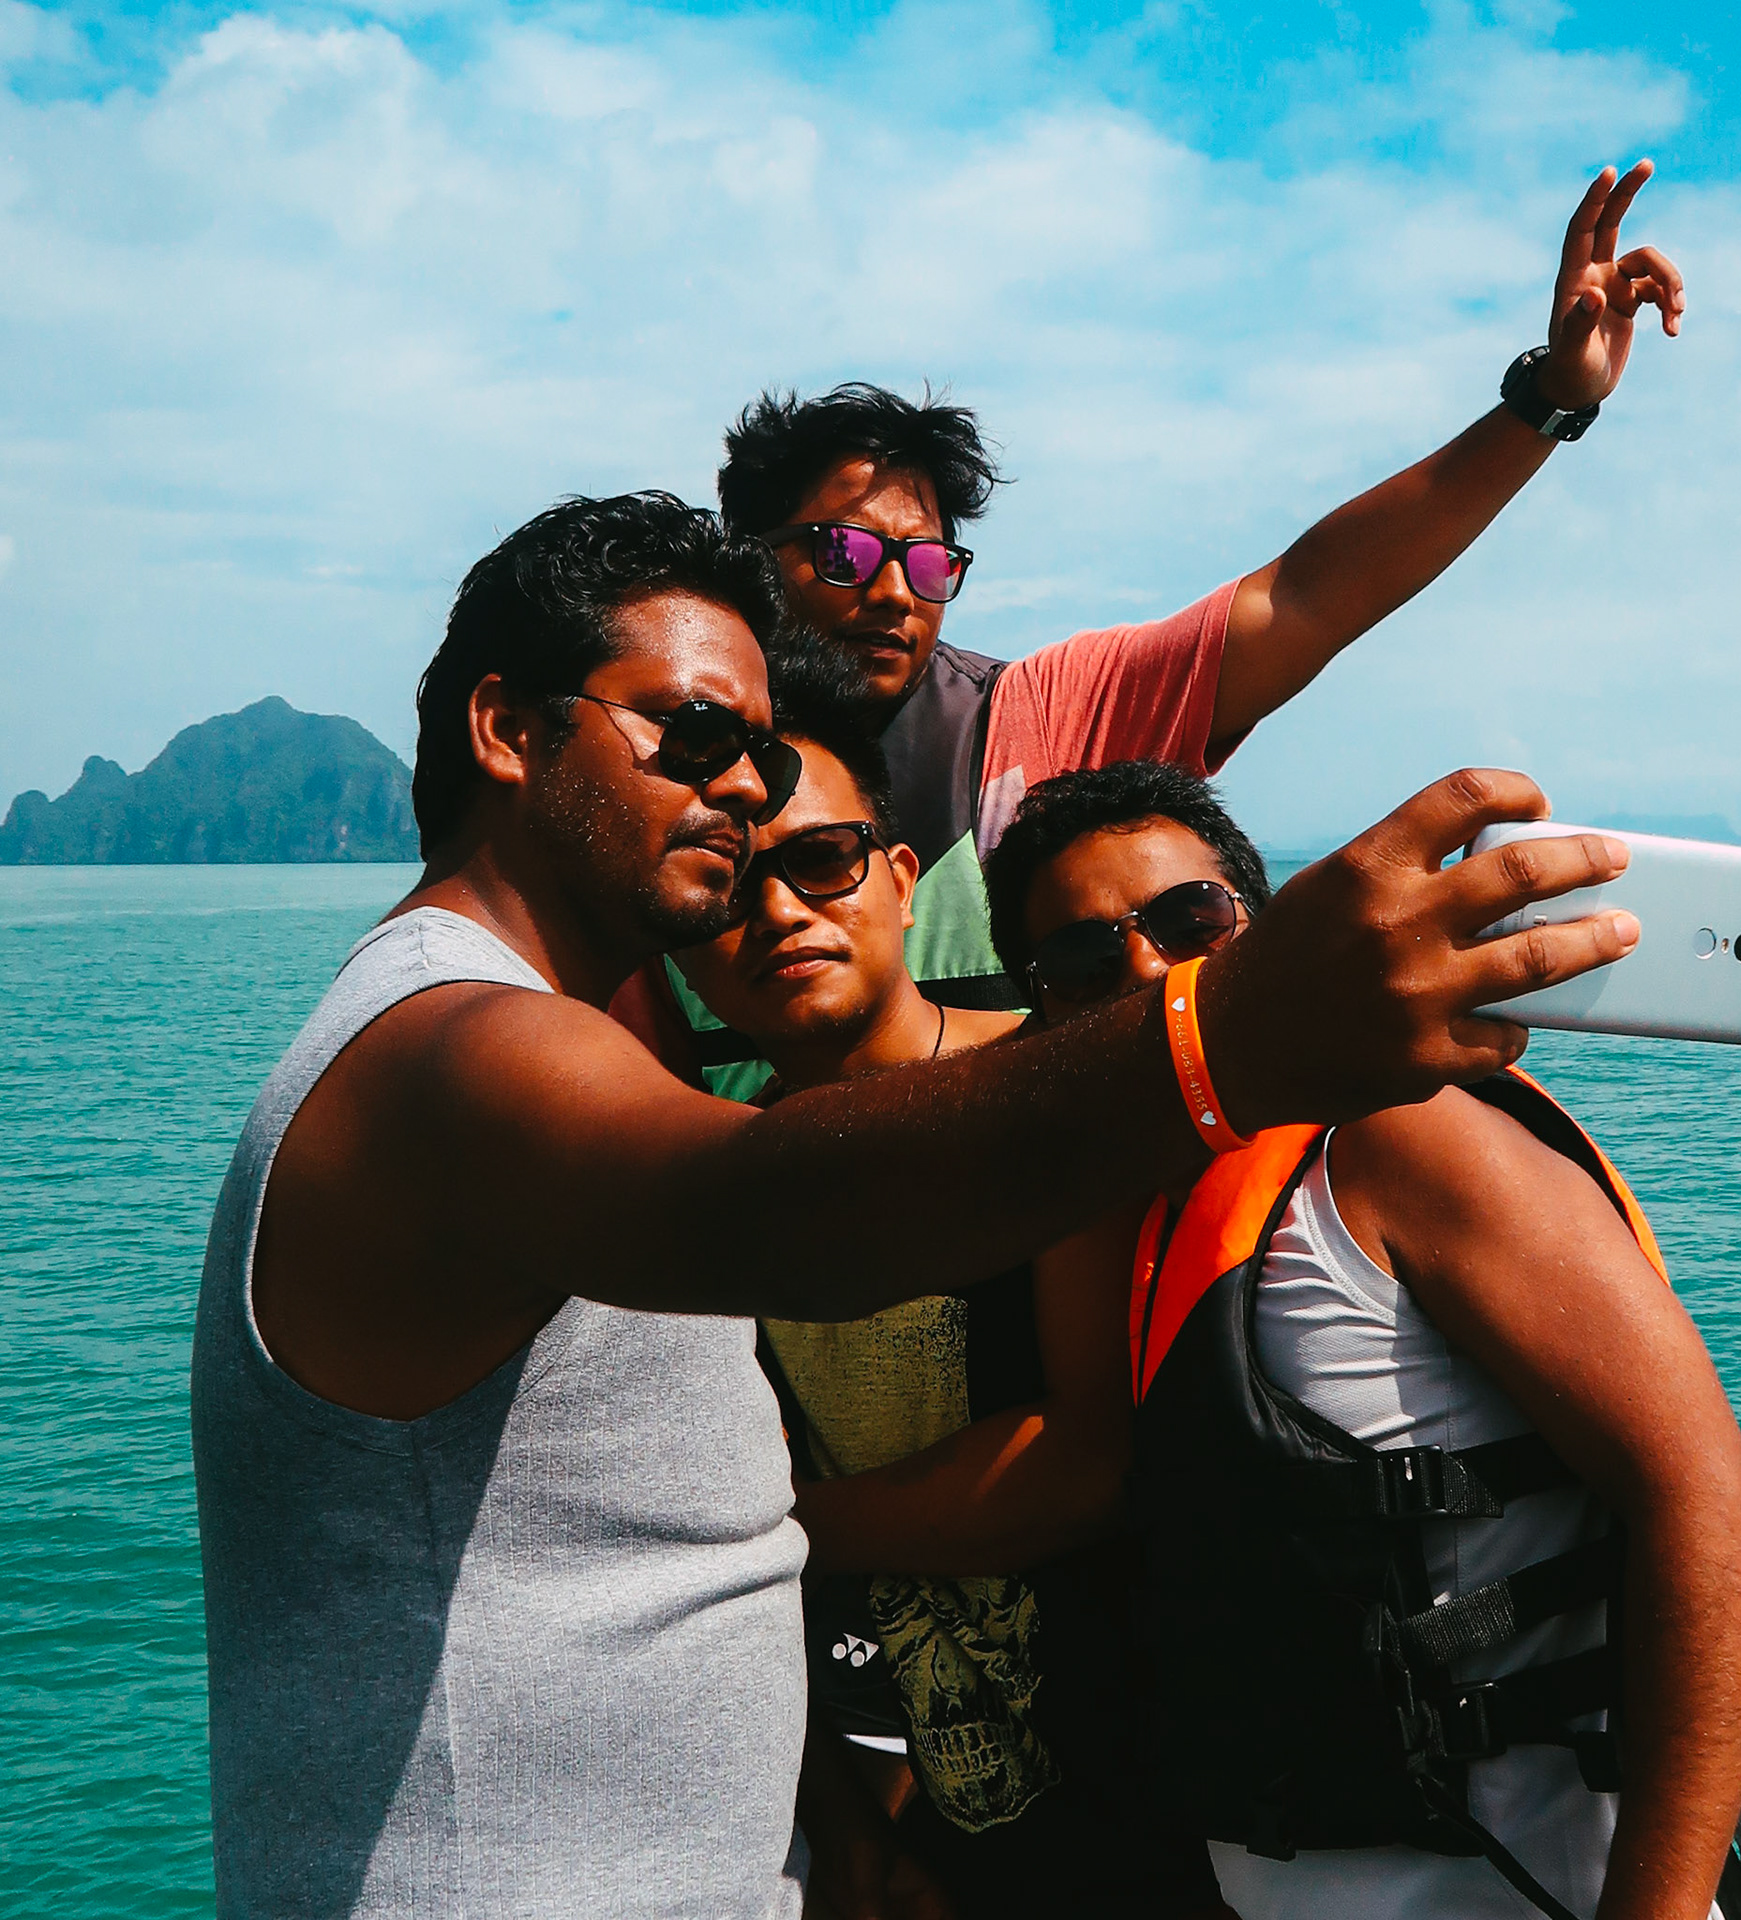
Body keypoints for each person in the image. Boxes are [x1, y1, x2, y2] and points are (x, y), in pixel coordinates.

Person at [190, 489, 1638, 1919]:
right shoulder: (451, 1048)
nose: (747, 791)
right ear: (508, 730)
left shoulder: (509, 1047)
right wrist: (1236, 1032)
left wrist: (835, 1826)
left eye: (760, 757)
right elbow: (780, 1208)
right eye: (693, 735)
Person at [658, 162, 1682, 1090]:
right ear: (747, 553)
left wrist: (1547, 403)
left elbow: (1311, 595)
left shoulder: (1036, 720)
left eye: (929, 563)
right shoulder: (660, 761)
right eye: (845, 553)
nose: (893, 594)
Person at [980, 761, 1741, 1920]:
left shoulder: (1404, 1144)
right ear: (1046, 1007)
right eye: (1084, 960)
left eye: (1186, 921)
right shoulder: (1145, 1214)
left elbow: (1713, 1508)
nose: (1148, 967)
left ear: (1258, 928)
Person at [673, 653, 1223, 1919]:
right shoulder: (710, 1195)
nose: (780, 912)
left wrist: (754, 1533)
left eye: (821, 862)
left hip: (1178, 1811)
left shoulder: (1046, 1088)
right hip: (944, 1820)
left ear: (904, 883)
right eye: (725, 891)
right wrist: (848, 1821)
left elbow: (1085, 1460)